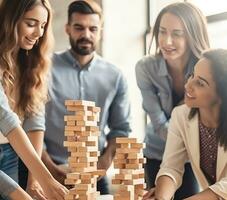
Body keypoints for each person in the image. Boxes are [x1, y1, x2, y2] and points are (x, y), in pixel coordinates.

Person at [40, 0, 131, 195]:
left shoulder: (115, 76)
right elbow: (31, 122)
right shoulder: (44, 68)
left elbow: (121, 129)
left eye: (93, 28)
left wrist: (103, 165)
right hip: (48, 169)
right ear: (67, 29)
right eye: (79, 27)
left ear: (101, 31)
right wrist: (49, 168)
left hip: (95, 174)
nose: (86, 35)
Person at [135, 2, 210, 199]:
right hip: (157, 152)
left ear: (192, 35)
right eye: (162, 31)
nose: (166, 41)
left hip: (194, 157)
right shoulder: (145, 68)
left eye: (177, 34)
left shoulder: (208, 71)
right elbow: (159, 124)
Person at [0, 0, 68, 199]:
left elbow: (35, 120)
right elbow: (6, 118)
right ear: (9, 22)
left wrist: (35, 180)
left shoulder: (33, 62)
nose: (39, 33)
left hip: (11, 152)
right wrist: (46, 180)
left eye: (43, 25)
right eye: (31, 24)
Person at [143, 48, 227, 200]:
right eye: (192, 75)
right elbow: (171, 167)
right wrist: (162, 197)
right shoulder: (181, 115)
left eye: (200, 83)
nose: (188, 85)